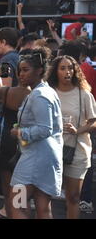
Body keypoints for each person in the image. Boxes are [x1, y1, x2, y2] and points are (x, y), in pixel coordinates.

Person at [10, 48, 63, 219]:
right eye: (19, 71)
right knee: (43, 208)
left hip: (35, 158)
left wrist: (20, 132)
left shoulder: (40, 94)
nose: (20, 74)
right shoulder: (43, 91)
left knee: (16, 205)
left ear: (39, 70)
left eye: (25, 70)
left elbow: (44, 128)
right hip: (45, 158)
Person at [46, 55, 96, 219]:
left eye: (70, 68)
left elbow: (93, 122)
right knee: (47, 195)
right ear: (55, 72)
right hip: (52, 149)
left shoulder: (83, 94)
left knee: (73, 197)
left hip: (77, 150)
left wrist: (78, 130)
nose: (68, 72)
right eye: (63, 68)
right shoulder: (49, 93)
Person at [0, 60, 31, 219]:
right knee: (20, 193)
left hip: (6, 141)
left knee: (7, 189)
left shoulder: (5, 92)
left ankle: (9, 214)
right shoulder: (34, 95)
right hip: (24, 142)